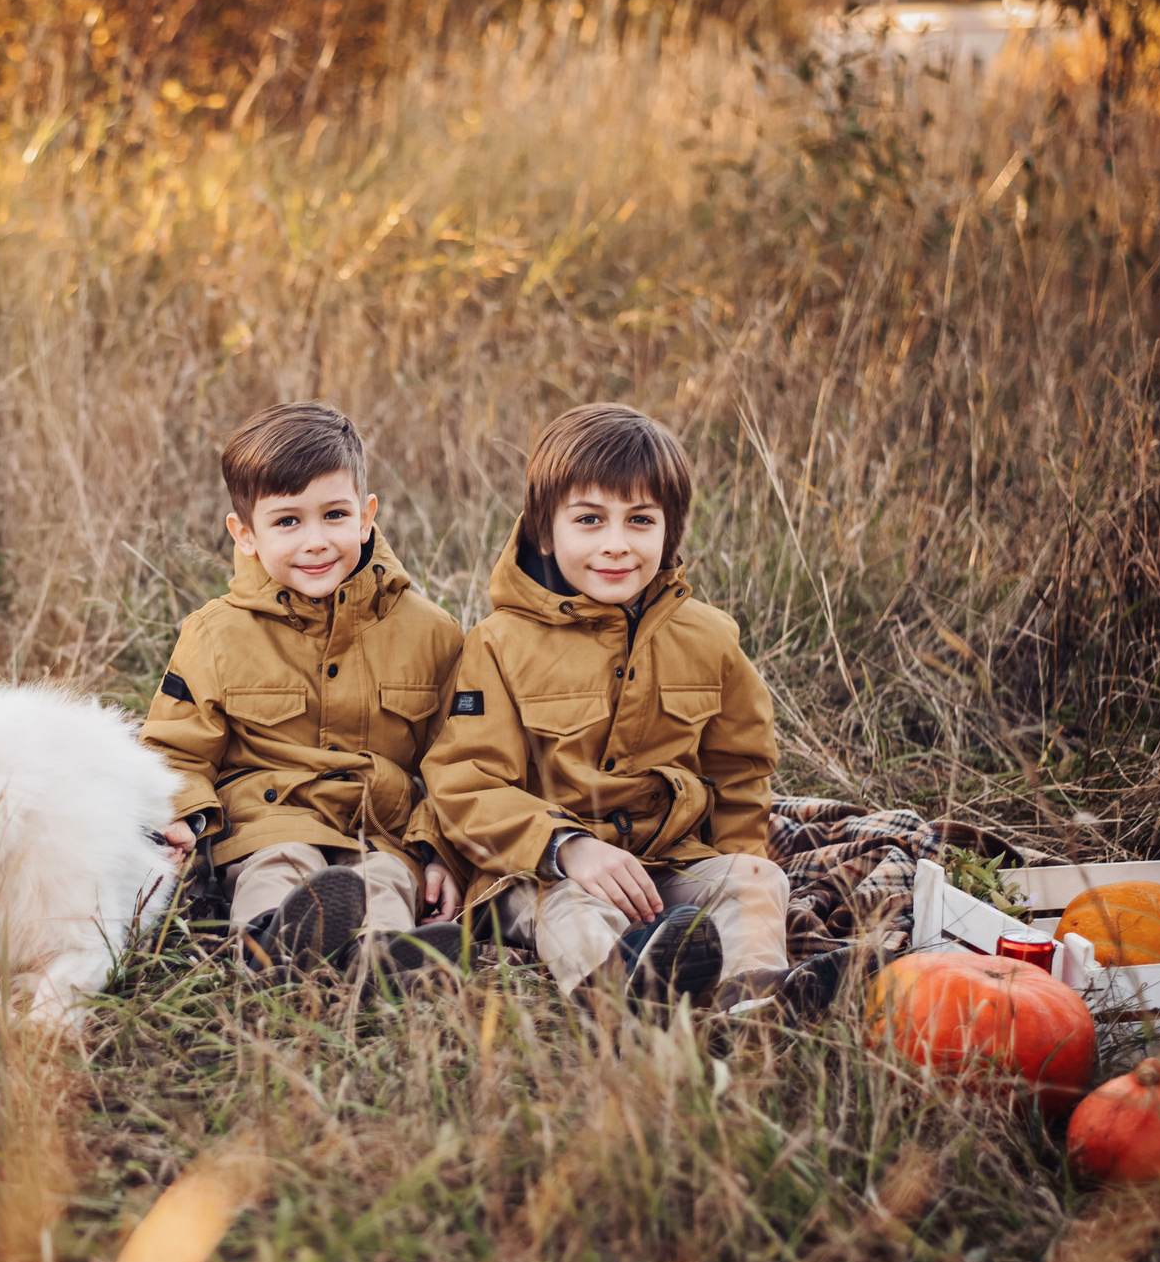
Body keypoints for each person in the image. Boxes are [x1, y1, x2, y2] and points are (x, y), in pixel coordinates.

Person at [422, 402, 790, 1007]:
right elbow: (466, 782)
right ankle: (624, 999)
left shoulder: (711, 639)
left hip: (665, 866)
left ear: (670, 529)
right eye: (590, 520)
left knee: (758, 879)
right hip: (540, 871)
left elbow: (740, 771)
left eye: (640, 520)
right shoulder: (498, 644)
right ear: (546, 531)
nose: (616, 545)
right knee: (571, 908)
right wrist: (568, 846)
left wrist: (731, 867)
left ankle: (752, 1006)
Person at [143, 401, 467, 970]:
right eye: (287, 522)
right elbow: (176, 749)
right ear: (245, 534)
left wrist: (441, 851)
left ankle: (384, 961)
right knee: (281, 863)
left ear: (366, 517)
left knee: (386, 877)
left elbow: (457, 761)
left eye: (334, 515)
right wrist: (183, 817)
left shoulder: (431, 633)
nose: (315, 541)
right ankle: (272, 947)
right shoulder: (215, 634)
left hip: (379, 830)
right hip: (268, 823)